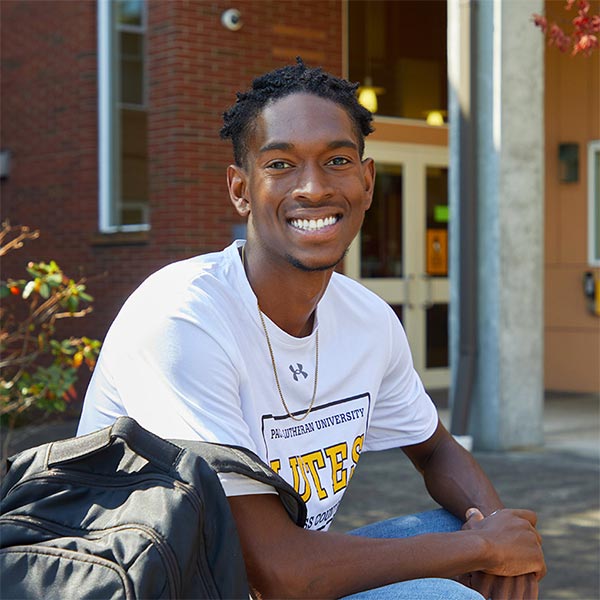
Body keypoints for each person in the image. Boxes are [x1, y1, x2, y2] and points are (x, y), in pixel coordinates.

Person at [78, 59, 545, 600]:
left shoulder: (368, 321)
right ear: (241, 190)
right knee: (454, 586)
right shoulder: (182, 319)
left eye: (337, 160)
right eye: (280, 164)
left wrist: (502, 538)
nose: (314, 188)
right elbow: (277, 572)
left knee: (464, 539)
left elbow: (436, 450)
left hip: (284, 575)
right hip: (166, 585)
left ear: (366, 181)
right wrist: (486, 548)